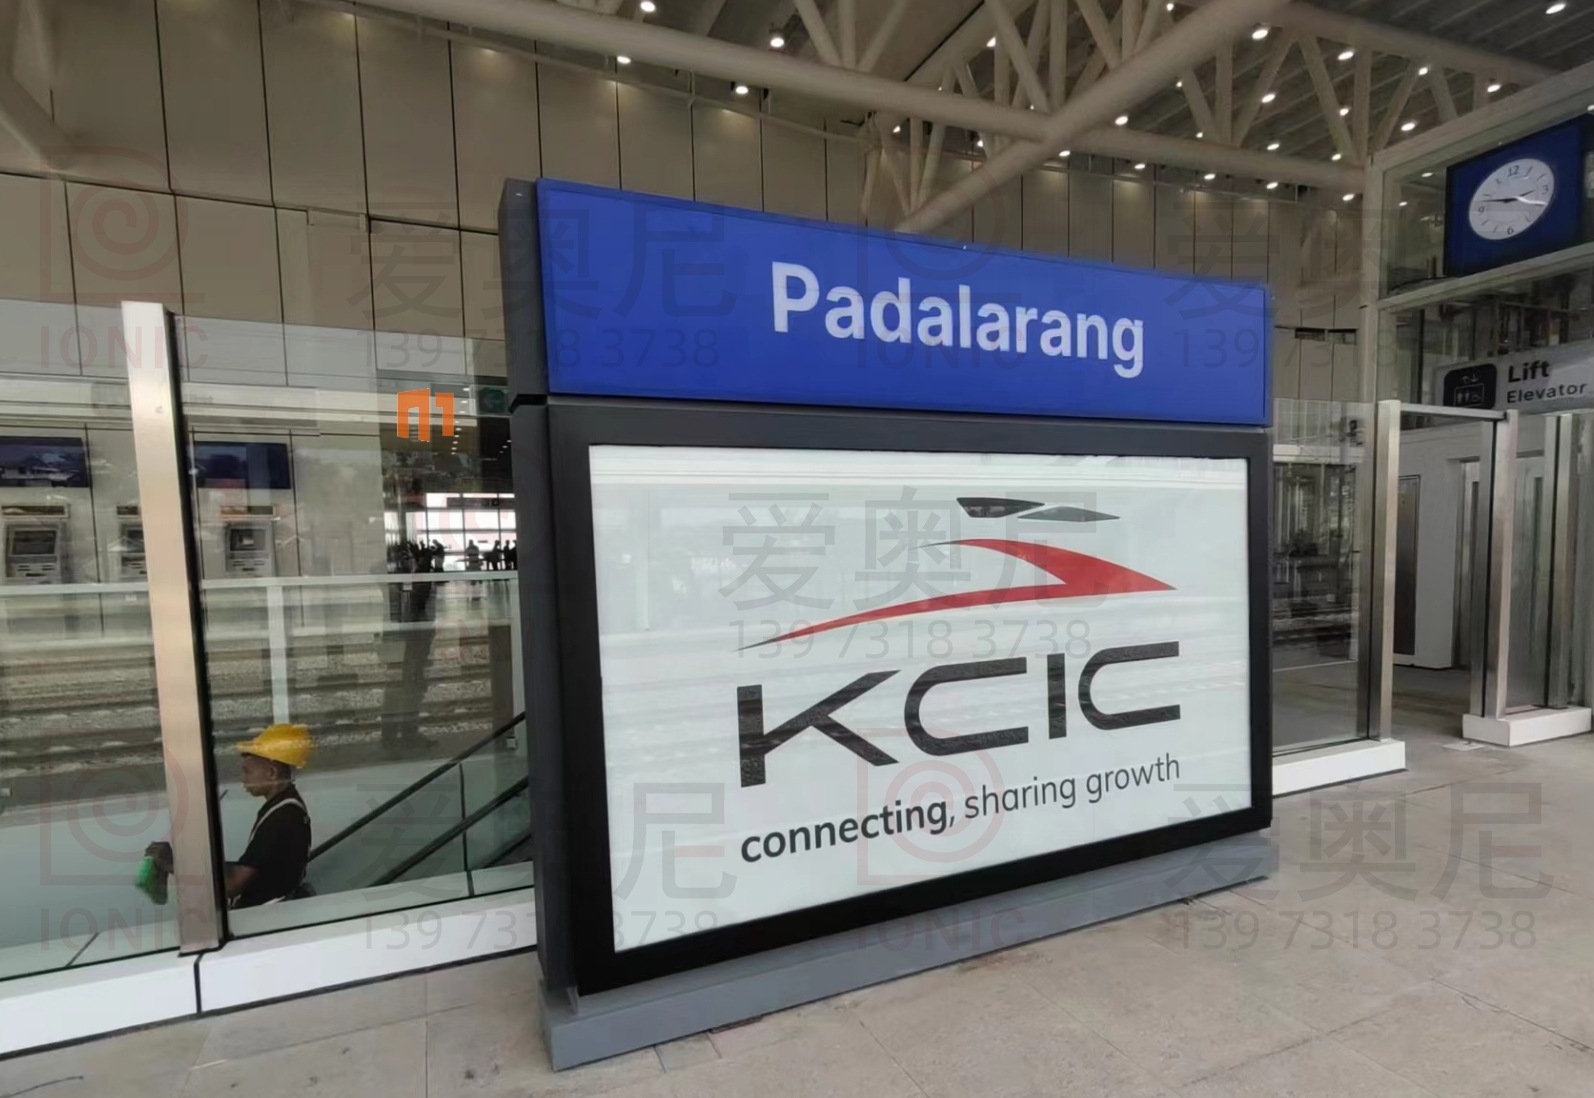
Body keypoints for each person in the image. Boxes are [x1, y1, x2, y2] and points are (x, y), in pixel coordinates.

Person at [145, 724, 315, 908]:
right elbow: (253, 866)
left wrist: (174, 864)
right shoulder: (285, 806)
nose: (242, 778)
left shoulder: (282, 819)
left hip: (266, 915)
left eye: (247, 771)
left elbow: (232, 885)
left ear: (272, 773)